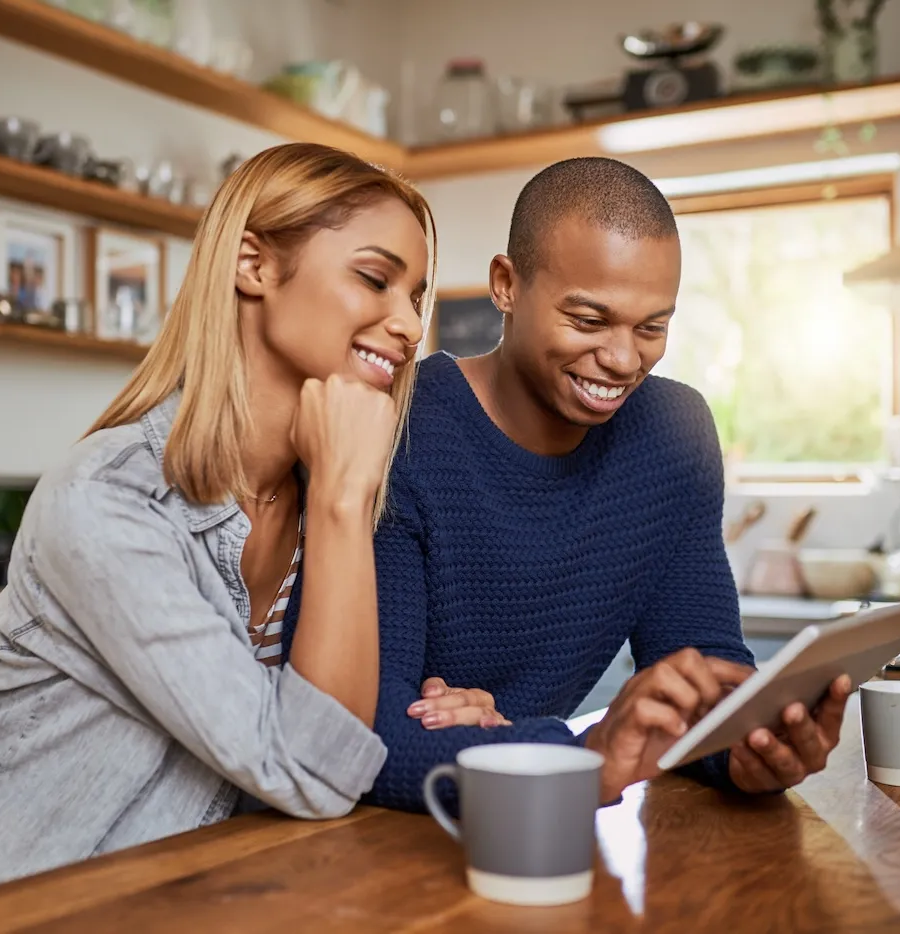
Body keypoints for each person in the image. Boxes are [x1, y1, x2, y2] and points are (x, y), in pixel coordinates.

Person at [0, 142, 438, 930]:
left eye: (417, 295)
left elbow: (342, 738)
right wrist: (345, 501)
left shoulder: (323, 496)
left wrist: (450, 700)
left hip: (132, 901)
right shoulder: (110, 499)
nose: (411, 324)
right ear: (252, 264)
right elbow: (314, 771)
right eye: (375, 279)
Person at [353, 157, 850, 810]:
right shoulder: (402, 428)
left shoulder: (673, 433)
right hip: (381, 842)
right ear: (506, 284)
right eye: (589, 320)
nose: (622, 360)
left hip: (537, 825)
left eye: (652, 327)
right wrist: (579, 756)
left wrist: (747, 752)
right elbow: (365, 742)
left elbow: (705, 673)